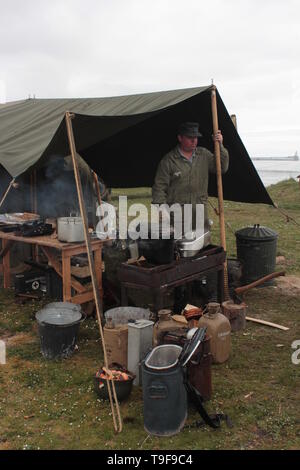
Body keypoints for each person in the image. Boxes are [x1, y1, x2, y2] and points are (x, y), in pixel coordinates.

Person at [152, 121, 229, 232]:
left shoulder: (204, 155)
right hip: (178, 215)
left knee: (202, 245)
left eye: (196, 137)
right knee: (180, 246)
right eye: (190, 138)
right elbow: (159, 188)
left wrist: (220, 145)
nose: (194, 141)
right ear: (180, 138)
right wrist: (162, 209)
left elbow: (221, 168)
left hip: (200, 213)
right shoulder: (169, 161)